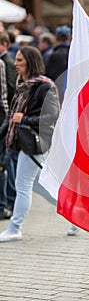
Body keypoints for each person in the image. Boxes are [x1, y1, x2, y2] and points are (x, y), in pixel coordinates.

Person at [0, 46, 60, 242]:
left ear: (30, 62)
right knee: (35, 184)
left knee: (22, 185)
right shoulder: (23, 85)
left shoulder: (45, 86)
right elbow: (11, 117)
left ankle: (14, 228)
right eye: (16, 60)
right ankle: (72, 213)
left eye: (19, 60)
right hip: (23, 140)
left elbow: (52, 115)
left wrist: (24, 120)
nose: (15, 64)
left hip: (36, 142)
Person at [0, 31, 18, 219]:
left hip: (9, 122)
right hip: (9, 121)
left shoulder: (6, 63)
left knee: (8, 163)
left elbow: (7, 94)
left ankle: (9, 200)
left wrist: (7, 123)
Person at [45, 24, 71, 104]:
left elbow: (49, 74)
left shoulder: (54, 54)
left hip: (58, 90)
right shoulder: (73, 53)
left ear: (56, 38)